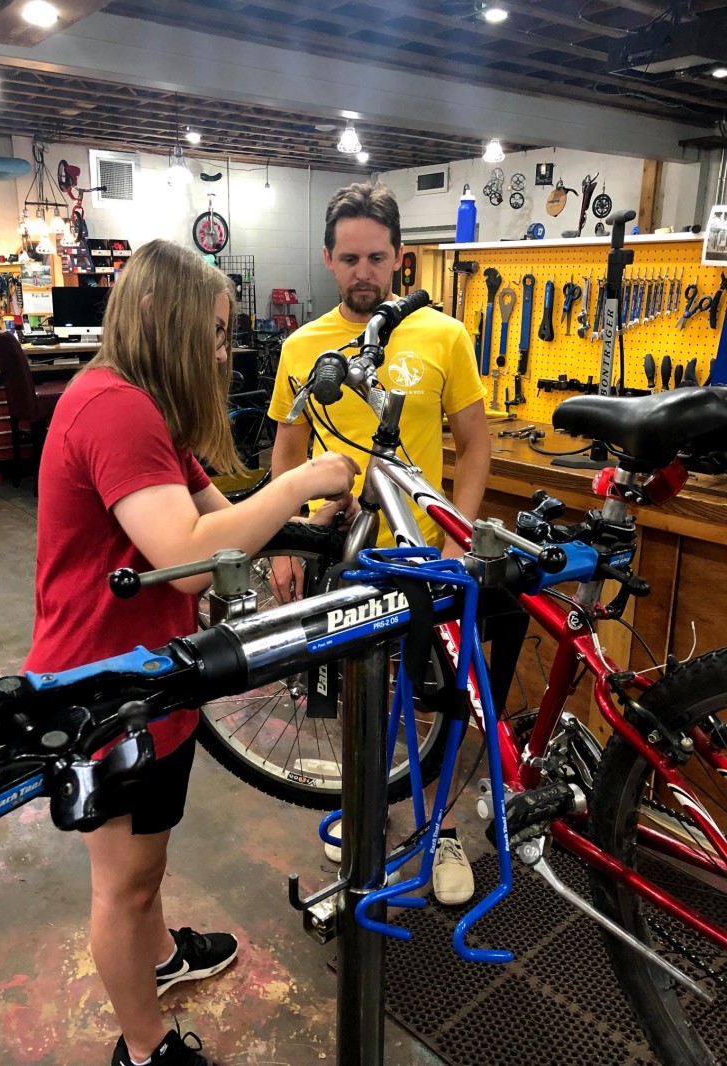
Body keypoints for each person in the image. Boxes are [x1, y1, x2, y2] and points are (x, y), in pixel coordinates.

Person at [23, 240, 359, 1066]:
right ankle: (144, 1049)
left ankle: (162, 954)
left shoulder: (151, 411)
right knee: (122, 881)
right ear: (156, 316)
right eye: (211, 334)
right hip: (100, 685)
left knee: (149, 855)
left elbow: (219, 511)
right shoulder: (113, 408)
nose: (221, 352)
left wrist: (300, 531)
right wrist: (300, 481)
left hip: (152, 676)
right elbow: (187, 550)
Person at [266, 182, 491, 906]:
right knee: (351, 699)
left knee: (444, 705)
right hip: (345, 560)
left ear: (400, 257)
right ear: (329, 259)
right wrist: (283, 543)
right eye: (350, 257)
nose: (364, 271)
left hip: (426, 556)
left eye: (377, 257)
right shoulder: (303, 346)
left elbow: (476, 445)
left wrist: (458, 541)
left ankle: (445, 830)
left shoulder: (444, 335)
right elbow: (287, 451)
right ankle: (366, 811)